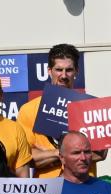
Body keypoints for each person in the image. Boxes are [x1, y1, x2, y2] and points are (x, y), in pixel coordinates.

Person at [16, 44, 104, 178]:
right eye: (58, 69)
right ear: (49, 71)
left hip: (84, 186)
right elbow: (27, 159)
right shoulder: (28, 110)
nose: (63, 75)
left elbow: (100, 153)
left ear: (77, 71)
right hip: (46, 190)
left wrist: (47, 154)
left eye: (69, 70)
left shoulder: (90, 107)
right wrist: (63, 153)